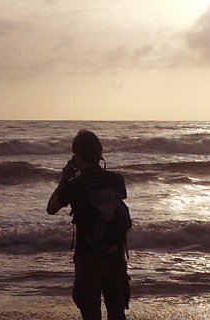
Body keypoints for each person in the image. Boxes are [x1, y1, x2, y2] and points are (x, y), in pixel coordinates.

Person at [47, 129, 130, 320]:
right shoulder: (117, 180)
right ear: (99, 154)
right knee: (117, 312)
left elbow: (51, 208)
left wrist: (65, 179)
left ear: (77, 155)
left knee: (90, 312)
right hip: (115, 255)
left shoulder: (75, 185)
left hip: (87, 257)